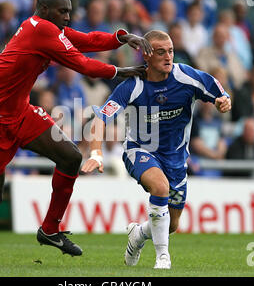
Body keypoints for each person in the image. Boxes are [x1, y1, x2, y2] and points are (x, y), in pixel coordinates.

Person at [0, 0, 153, 266]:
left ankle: (50, 229)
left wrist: (121, 37)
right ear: (44, 9)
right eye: (63, 11)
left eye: (69, 11)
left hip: (19, 112)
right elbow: (85, 65)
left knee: (70, 157)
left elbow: (87, 39)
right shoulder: (41, 30)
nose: (68, 17)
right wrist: (125, 71)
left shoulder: (47, 28)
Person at [81, 30, 231, 269]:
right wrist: (96, 152)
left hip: (176, 158)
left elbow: (217, 90)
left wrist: (223, 101)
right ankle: (163, 257)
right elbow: (101, 118)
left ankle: (138, 235)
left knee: (171, 225)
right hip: (139, 150)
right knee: (160, 187)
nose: (168, 57)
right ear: (147, 56)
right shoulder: (132, 86)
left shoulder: (186, 76)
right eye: (161, 52)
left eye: (170, 51)